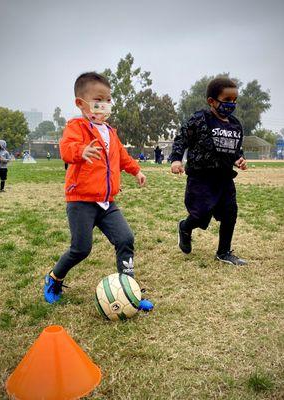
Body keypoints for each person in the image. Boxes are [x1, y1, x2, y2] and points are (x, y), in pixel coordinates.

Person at [44, 71, 153, 311]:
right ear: (80, 103)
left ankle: (130, 291)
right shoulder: (77, 126)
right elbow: (66, 149)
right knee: (81, 249)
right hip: (81, 201)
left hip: (106, 202)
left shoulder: (110, 132)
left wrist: (136, 171)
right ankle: (54, 278)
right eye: (98, 100)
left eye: (108, 100)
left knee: (126, 238)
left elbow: (122, 157)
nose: (104, 105)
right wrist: (80, 151)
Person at [170, 77, 247, 266]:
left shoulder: (235, 125)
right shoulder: (200, 119)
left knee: (230, 212)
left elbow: (235, 150)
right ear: (211, 101)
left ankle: (223, 252)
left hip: (224, 178)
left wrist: (239, 159)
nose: (231, 104)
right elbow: (182, 138)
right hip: (201, 177)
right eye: (226, 100)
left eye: (234, 100)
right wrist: (176, 159)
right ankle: (185, 227)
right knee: (201, 214)